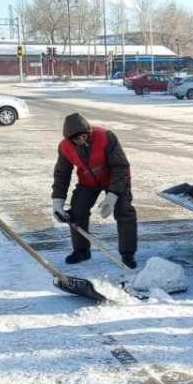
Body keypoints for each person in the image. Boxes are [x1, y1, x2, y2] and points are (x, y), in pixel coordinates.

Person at [51, 112, 138, 268]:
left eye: (84, 136)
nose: (81, 140)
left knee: (125, 212)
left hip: (116, 178)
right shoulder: (64, 147)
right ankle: (81, 251)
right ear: (69, 139)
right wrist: (58, 201)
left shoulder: (105, 136)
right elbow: (61, 174)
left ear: (88, 132)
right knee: (77, 211)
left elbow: (121, 166)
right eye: (76, 139)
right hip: (88, 181)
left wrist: (112, 197)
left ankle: (127, 254)